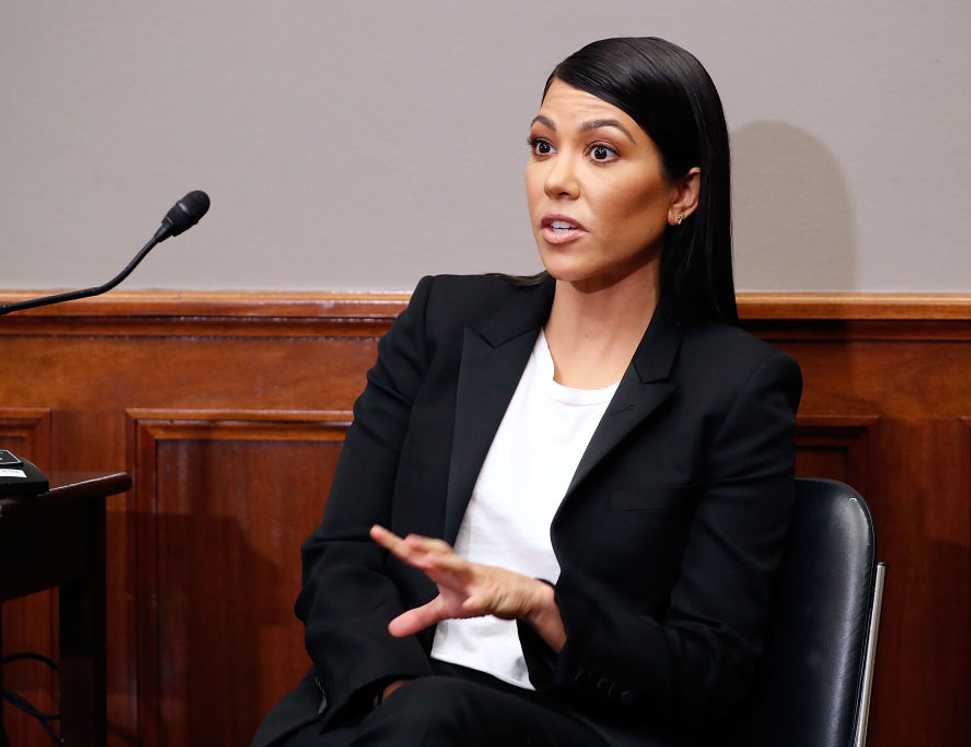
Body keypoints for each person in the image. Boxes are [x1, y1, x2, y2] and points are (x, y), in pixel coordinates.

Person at [252, 36, 802, 747]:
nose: (558, 181)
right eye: (543, 147)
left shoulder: (736, 388)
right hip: (392, 707)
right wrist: (391, 691)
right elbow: (341, 557)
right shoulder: (444, 323)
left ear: (682, 193)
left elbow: (709, 668)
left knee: (433, 718)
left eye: (600, 153)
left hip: (576, 722)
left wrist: (543, 607)